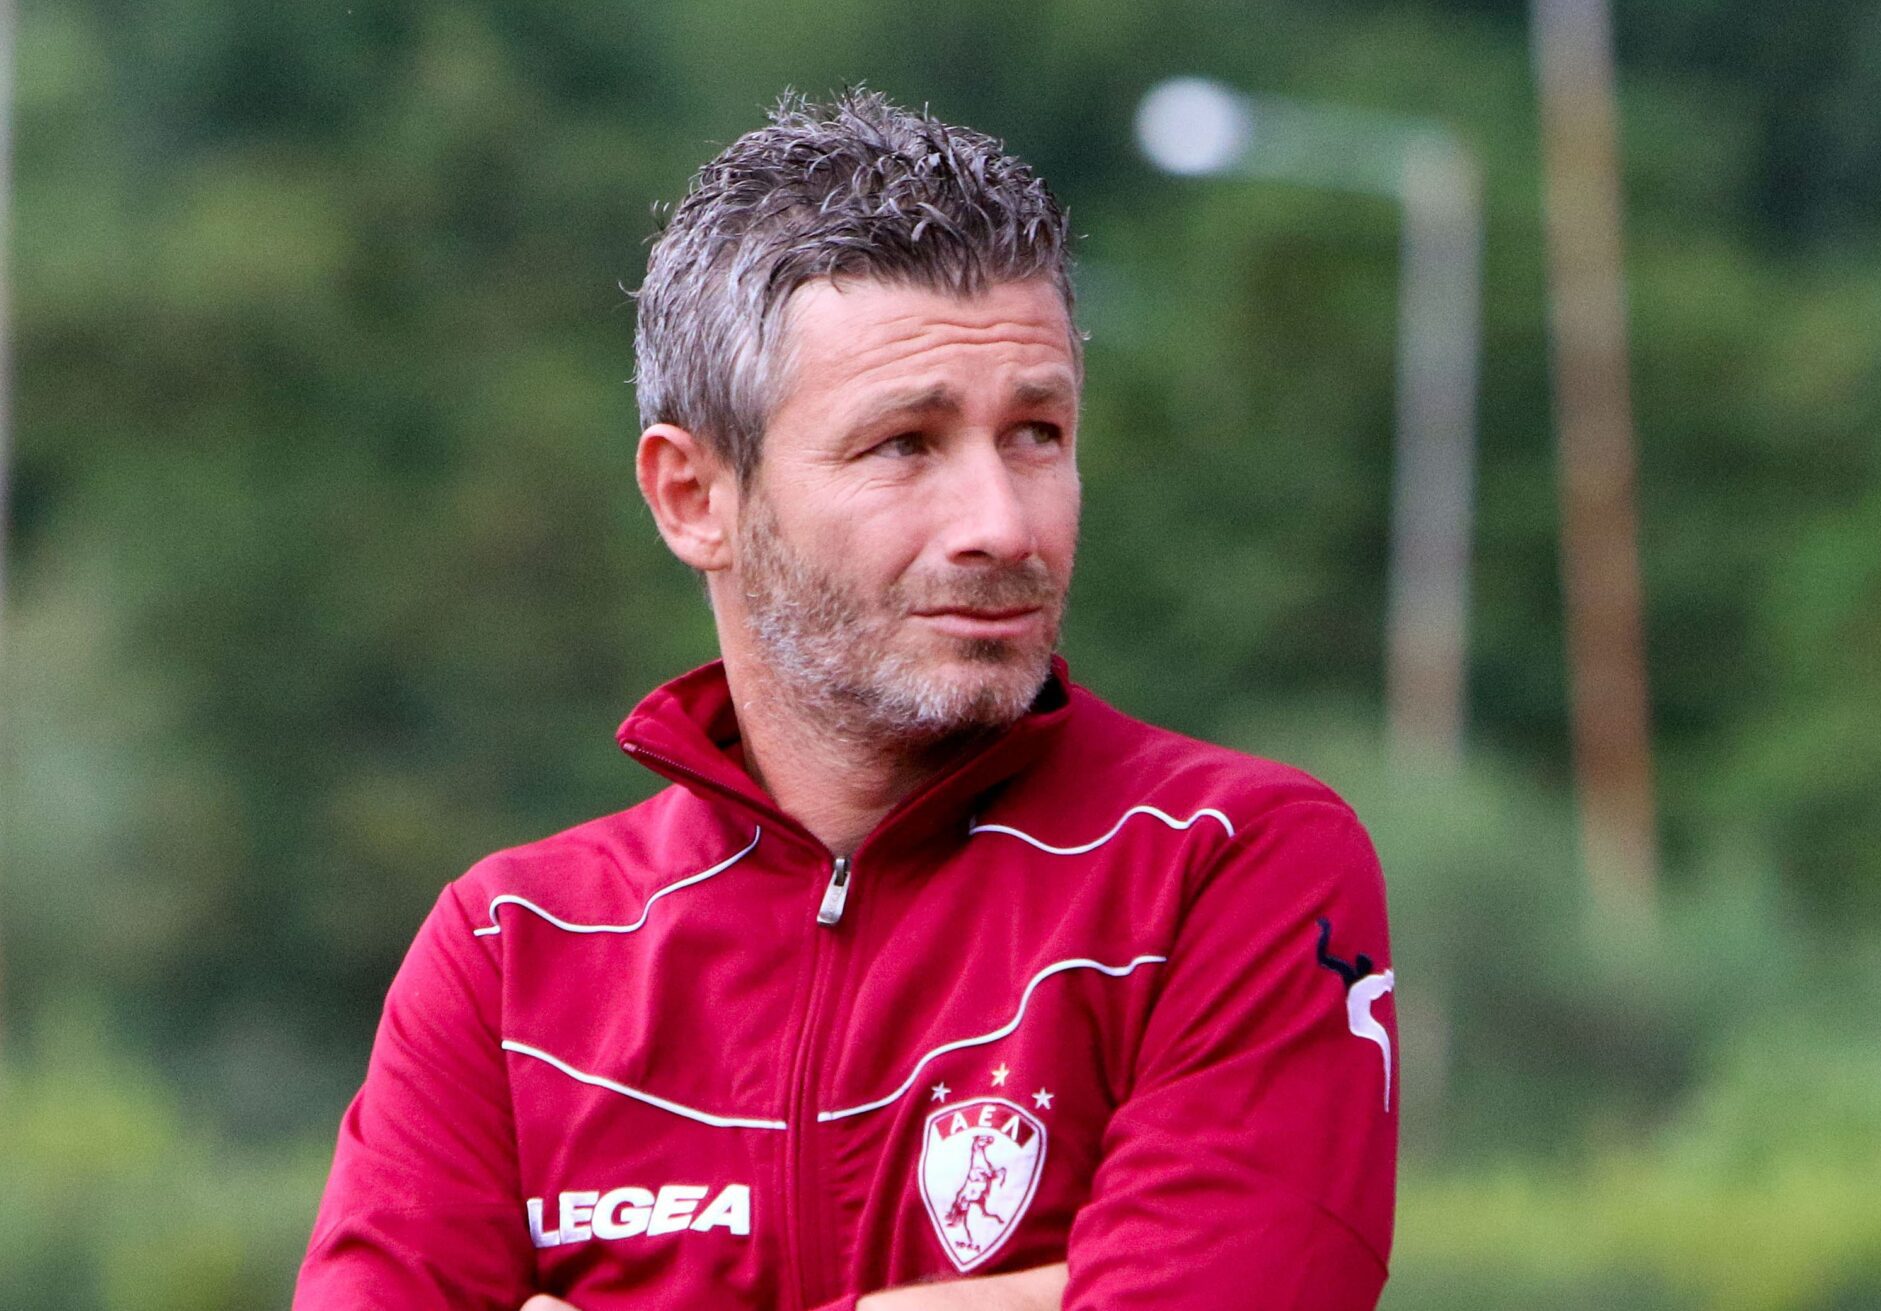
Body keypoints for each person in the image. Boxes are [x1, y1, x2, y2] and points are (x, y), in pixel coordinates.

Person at [294, 89, 1397, 1311]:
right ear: (693, 498)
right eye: (904, 444)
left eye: (1036, 432)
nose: (1001, 524)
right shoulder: (509, 955)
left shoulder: (1229, 865)